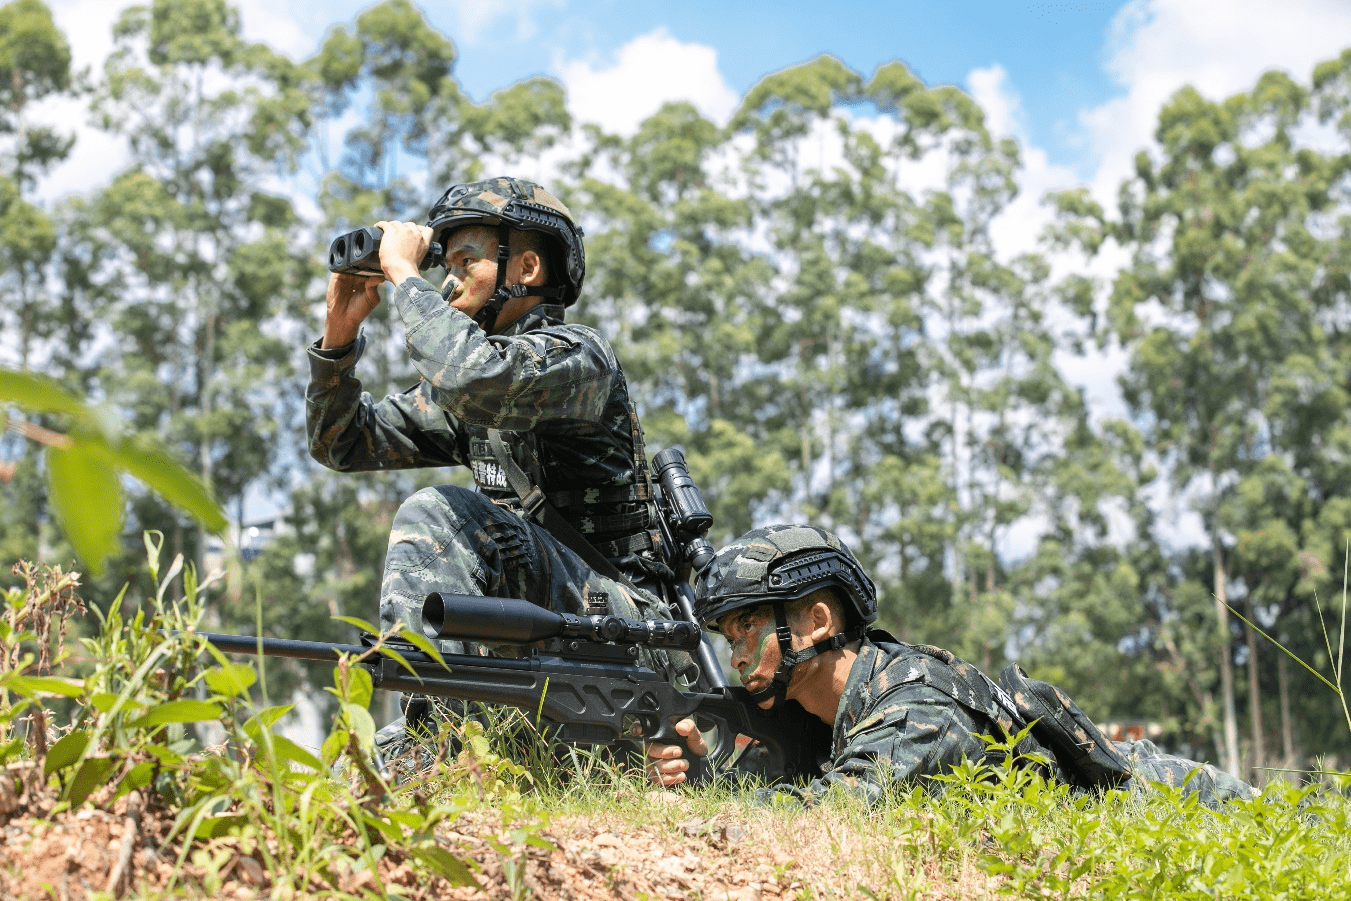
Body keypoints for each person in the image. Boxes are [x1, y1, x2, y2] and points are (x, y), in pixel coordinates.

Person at [307, 177, 680, 743]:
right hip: (544, 642)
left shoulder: (578, 358)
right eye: (443, 264)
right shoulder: (470, 396)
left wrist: (405, 276)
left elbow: (475, 376)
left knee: (438, 514)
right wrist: (339, 335)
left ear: (526, 267)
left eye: (466, 261)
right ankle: (436, 737)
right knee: (361, 767)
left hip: (631, 638)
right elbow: (344, 442)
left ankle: (442, 746)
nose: (448, 280)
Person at [647, 524, 1258, 807]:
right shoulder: (828, 715)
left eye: (750, 626)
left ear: (818, 621)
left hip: (1186, 801)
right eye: (729, 634)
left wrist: (713, 807)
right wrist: (701, 769)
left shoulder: (913, 704)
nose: (735, 652)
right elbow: (779, 779)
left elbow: (834, 811)